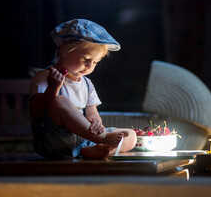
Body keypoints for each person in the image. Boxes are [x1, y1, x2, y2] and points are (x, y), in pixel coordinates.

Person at [29, 19, 137, 159]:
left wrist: (96, 121)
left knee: (131, 135)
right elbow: (36, 112)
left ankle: (93, 150)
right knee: (59, 101)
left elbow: (92, 113)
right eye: (86, 59)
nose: (89, 66)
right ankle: (101, 141)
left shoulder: (87, 84)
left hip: (84, 140)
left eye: (95, 62)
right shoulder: (44, 77)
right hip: (57, 141)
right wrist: (53, 88)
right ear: (63, 49)